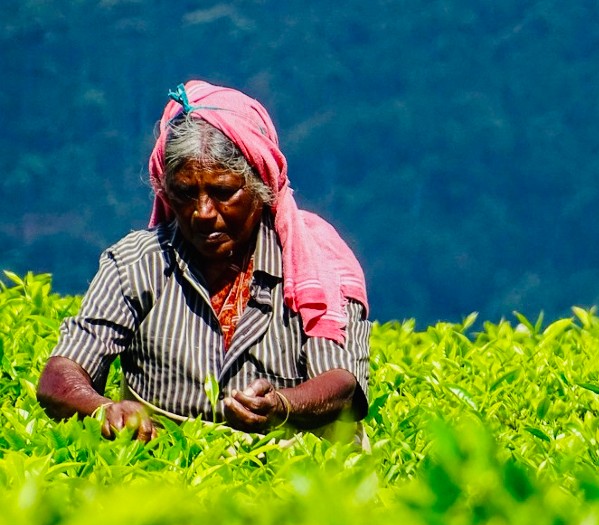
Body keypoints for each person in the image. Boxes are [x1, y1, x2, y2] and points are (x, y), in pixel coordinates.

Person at [37, 80, 370, 443]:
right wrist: (102, 408)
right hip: (166, 474)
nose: (203, 213)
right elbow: (60, 375)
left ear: (261, 186)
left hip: (295, 476)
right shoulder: (135, 263)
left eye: (224, 192)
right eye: (184, 193)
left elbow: (343, 386)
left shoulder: (315, 268)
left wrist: (281, 406)